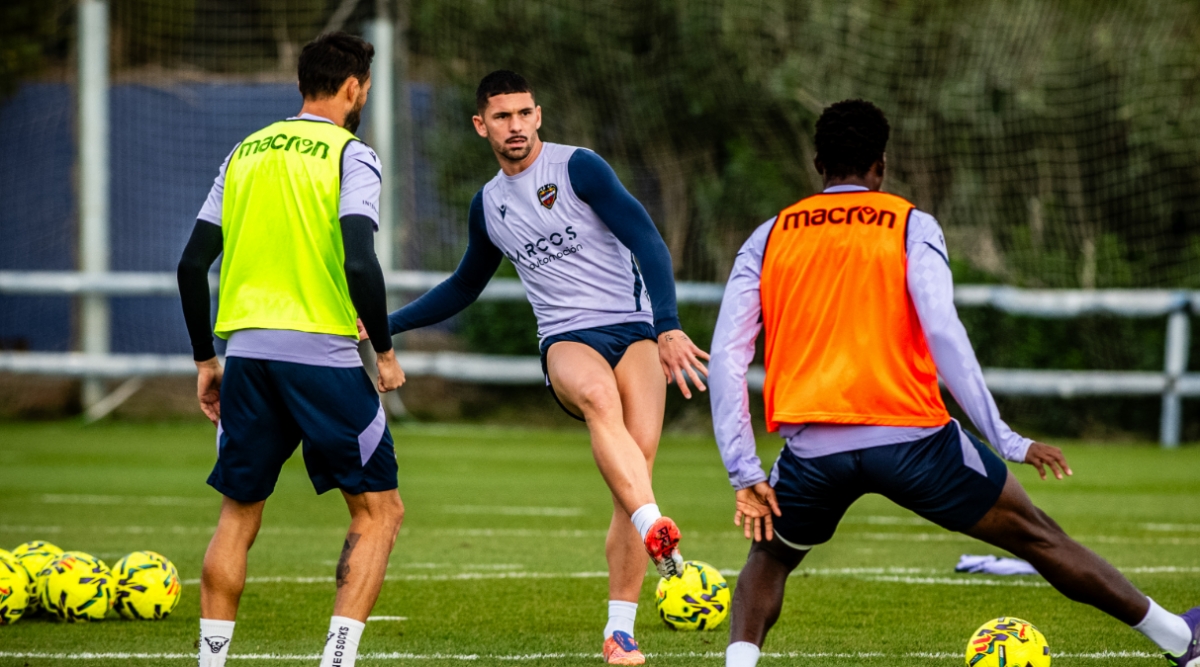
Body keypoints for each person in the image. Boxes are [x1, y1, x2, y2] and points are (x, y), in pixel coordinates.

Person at [708, 99, 1200, 667]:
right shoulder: (909, 224)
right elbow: (943, 330)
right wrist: (1005, 437)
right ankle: (1181, 640)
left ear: (819, 164)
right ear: (881, 164)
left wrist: (744, 469)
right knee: (1039, 537)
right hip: (915, 442)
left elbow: (727, 355)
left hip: (813, 451)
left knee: (769, 560)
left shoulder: (769, 236)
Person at [383, 70, 709, 665]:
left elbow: (647, 240)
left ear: (538, 115)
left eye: (524, 113)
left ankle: (620, 633)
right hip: (566, 338)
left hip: (635, 328)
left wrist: (667, 326)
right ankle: (656, 529)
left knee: (634, 476)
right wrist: (386, 326)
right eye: (502, 116)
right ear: (481, 125)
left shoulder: (579, 168)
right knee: (600, 402)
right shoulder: (489, 205)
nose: (515, 126)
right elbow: (463, 286)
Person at [176, 32, 406, 667]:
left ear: (301, 83)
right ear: (354, 87)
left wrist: (206, 360)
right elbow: (360, 260)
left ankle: (211, 663)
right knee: (379, 511)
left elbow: (191, 266)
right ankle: (336, 661)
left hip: (247, 357)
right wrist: (386, 352)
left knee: (237, 515)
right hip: (322, 357)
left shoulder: (243, 153)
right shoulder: (351, 155)